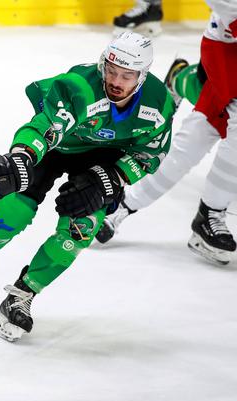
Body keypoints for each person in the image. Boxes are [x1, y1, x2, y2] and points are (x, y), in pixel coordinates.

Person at [0, 31, 176, 342]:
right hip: (59, 147)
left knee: (82, 226)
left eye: (127, 75)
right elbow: (46, 126)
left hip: (102, 158)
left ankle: (23, 293)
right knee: (14, 207)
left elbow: (151, 153)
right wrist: (21, 156)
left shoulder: (158, 104)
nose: (116, 80)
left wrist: (113, 179)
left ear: (142, 75)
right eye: (111, 70)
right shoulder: (80, 86)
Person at [98, 0, 237, 265]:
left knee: (195, 137)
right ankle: (210, 214)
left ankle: (124, 206)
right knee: (208, 132)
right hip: (225, 55)